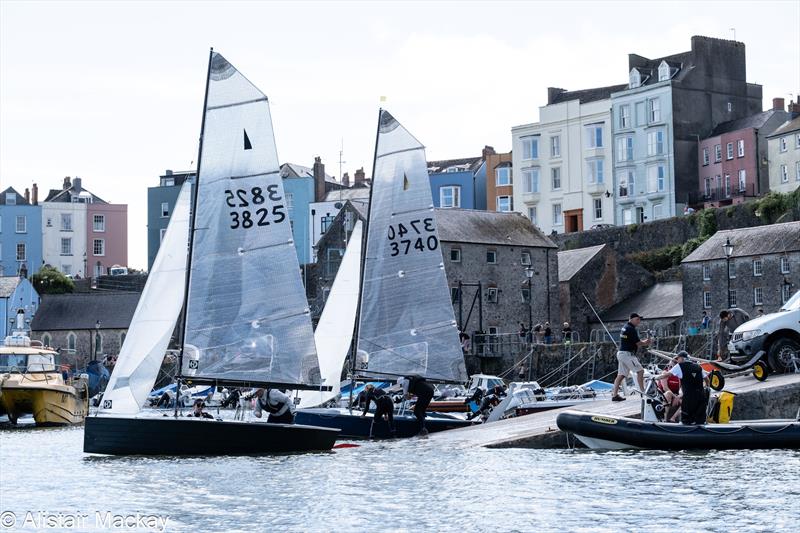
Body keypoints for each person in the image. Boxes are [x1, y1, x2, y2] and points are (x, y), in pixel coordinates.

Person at [656, 351, 709, 425]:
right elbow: (707, 379)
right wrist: (707, 387)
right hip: (701, 397)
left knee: (686, 421)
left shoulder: (680, 366)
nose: (677, 360)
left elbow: (667, 374)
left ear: (682, 358)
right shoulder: (698, 366)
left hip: (688, 398)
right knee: (700, 421)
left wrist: (655, 377)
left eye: (678, 358)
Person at [611, 313, 651, 402]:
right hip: (627, 354)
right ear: (631, 319)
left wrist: (644, 342)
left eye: (639, 319)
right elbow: (638, 343)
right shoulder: (631, 329)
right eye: (637, 319)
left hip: (621, 353)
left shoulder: (625, 327)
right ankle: (643, 393)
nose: (639, 321)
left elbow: (633, 341)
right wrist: (646, 342)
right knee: (640, 371)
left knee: (620, 375)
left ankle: (615, 395)